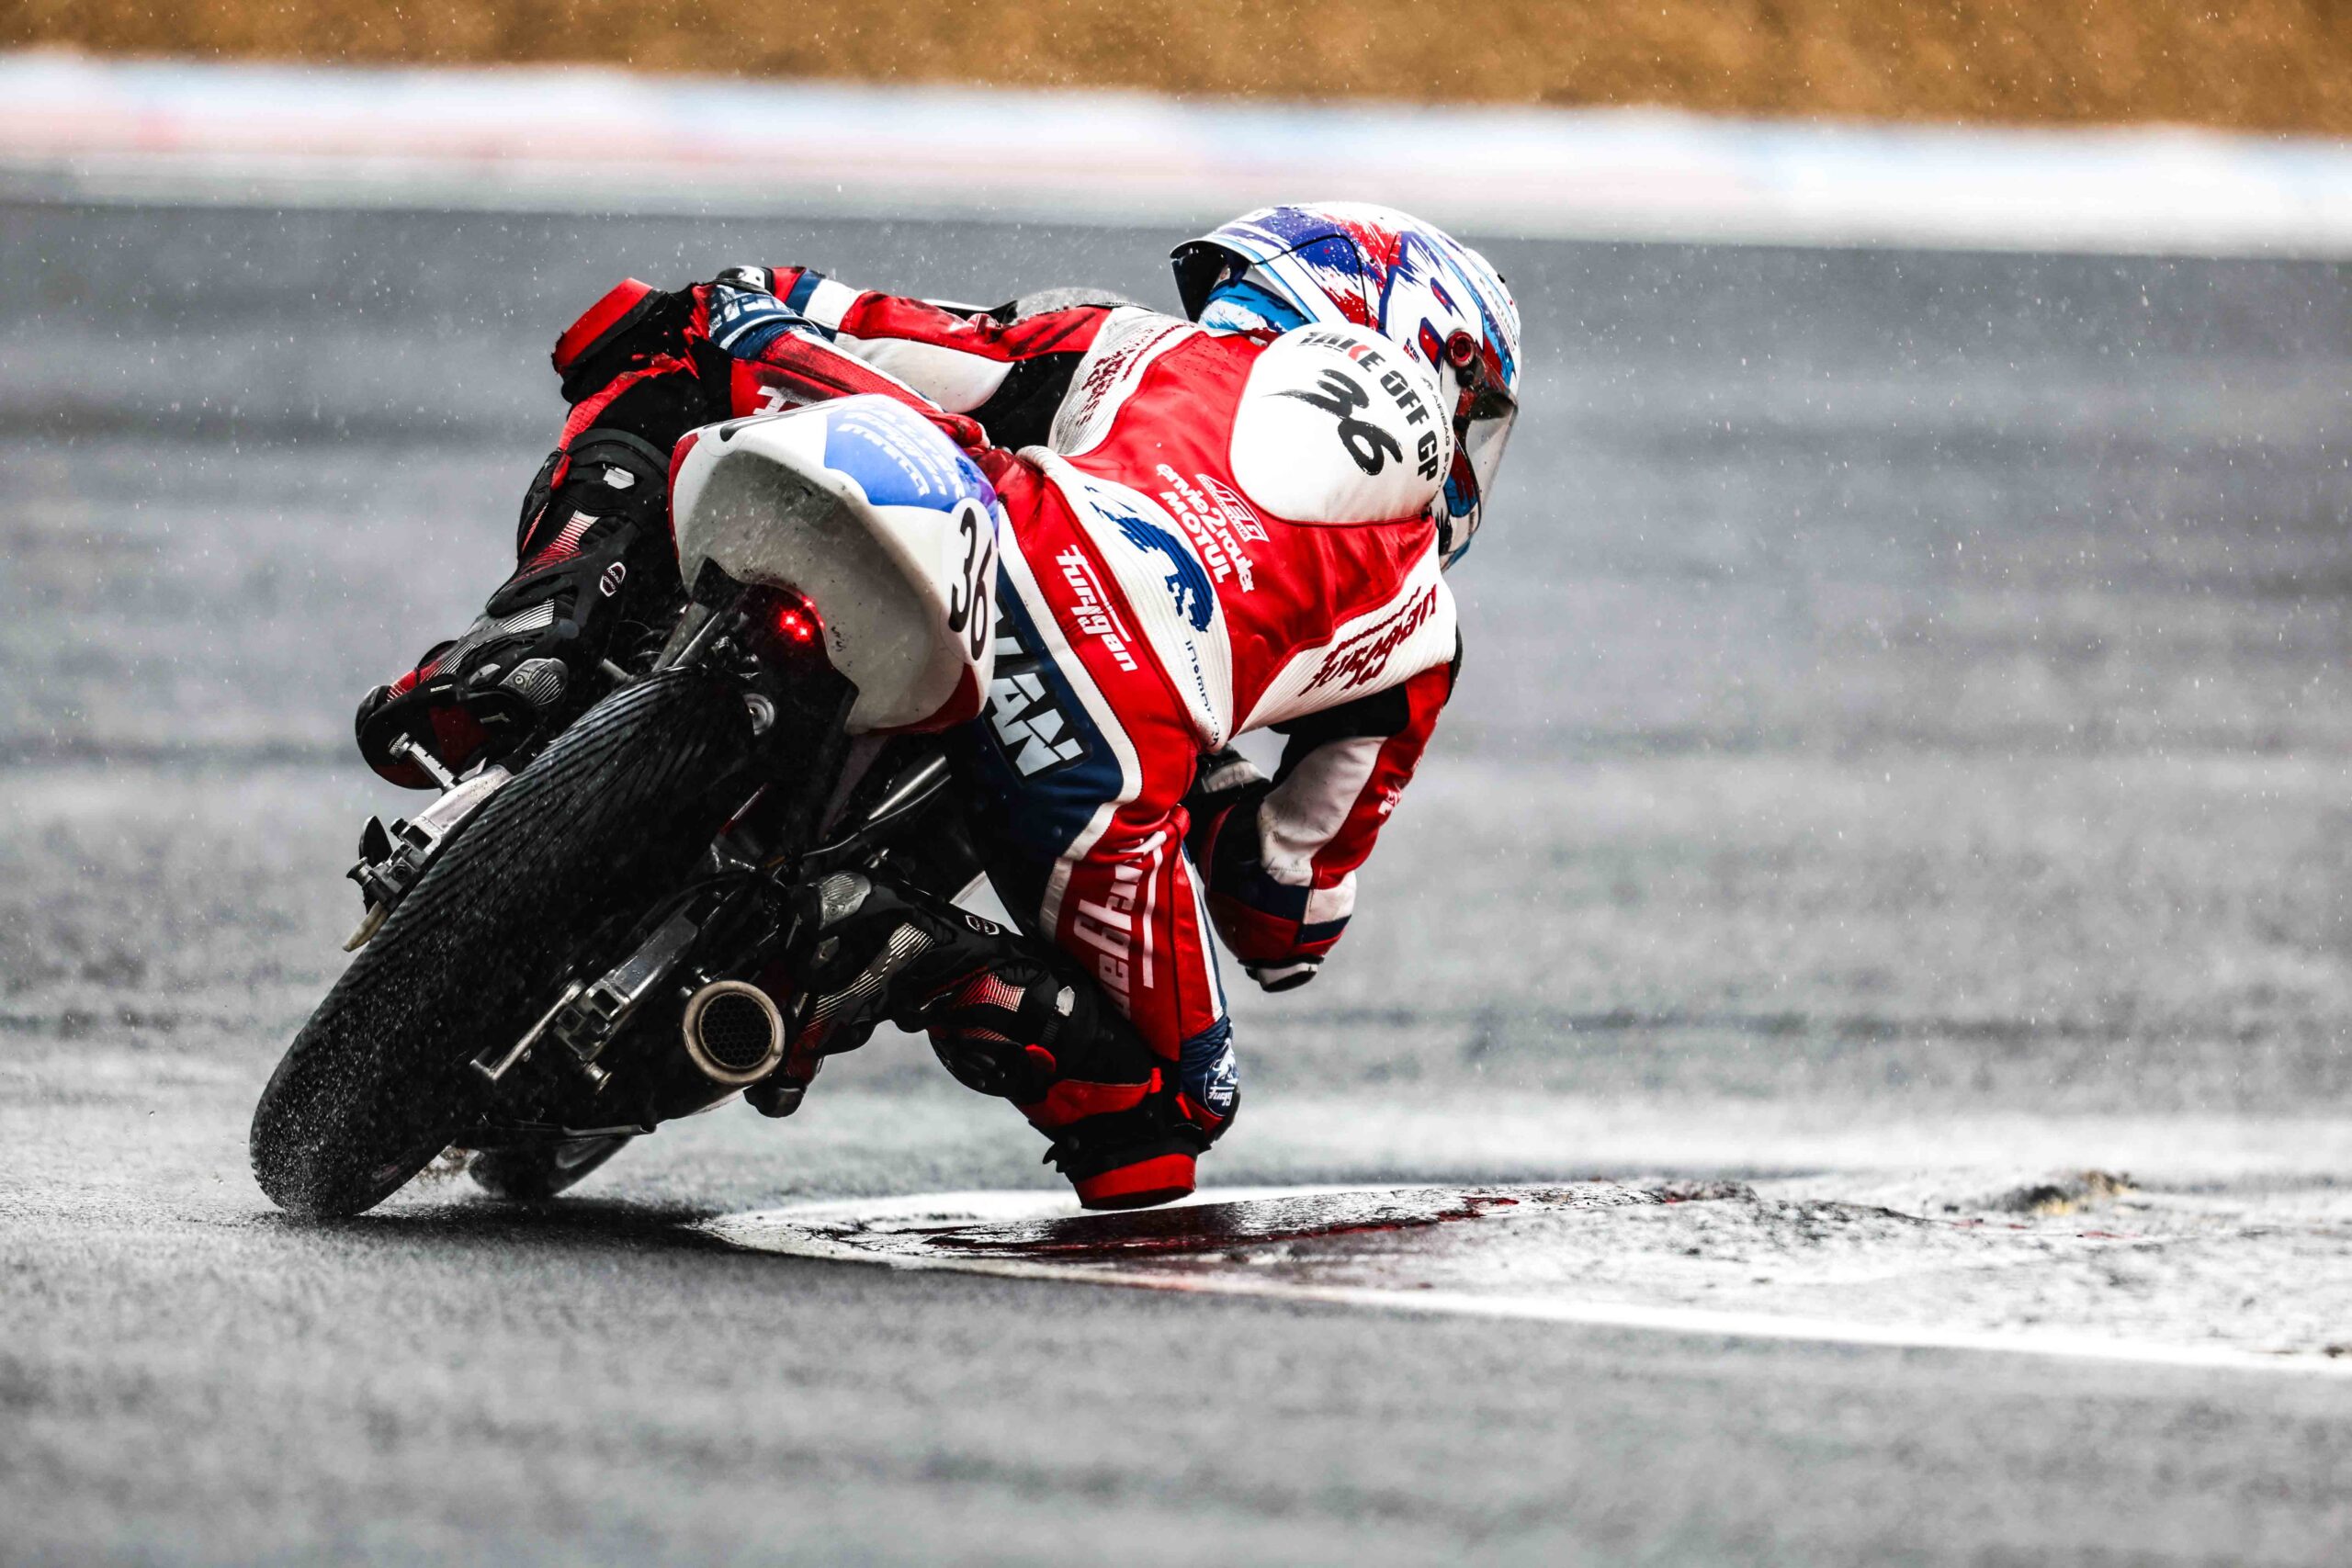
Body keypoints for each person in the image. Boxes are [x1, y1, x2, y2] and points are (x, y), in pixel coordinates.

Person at [354, 202, 1522, 1209]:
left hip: (999, 529)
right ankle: (906, 952)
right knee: (1171, 1113)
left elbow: (868, 325)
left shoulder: (1127, 337)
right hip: (1109, 735)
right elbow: (1280, 914)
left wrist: (753, 311)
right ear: (1423, 345)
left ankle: (530, 640)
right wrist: (1211, 782)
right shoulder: (1423, 616)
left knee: (669, 339)